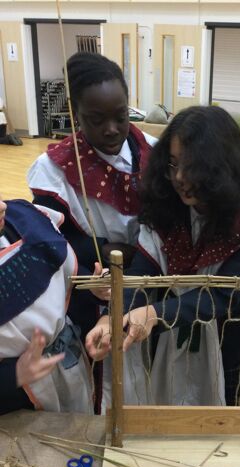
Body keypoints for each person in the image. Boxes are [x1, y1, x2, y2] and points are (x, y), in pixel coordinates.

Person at [86, 105, 240, 409]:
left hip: (226, 336)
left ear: (222, 167)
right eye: (173, 164)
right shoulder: (165, 206)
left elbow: (220, 296)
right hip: (165, 338)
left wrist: (153, 314)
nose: (180, 177)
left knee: (223, 414)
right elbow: (143, 273)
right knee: (166, 404)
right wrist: (114, 313)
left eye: (192, 167)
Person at [27, 52, 156, 343]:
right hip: (93, 291)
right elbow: (48, 243)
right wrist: (102, 250)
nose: (111, 129)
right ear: (76, 114)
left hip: (151, 290)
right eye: (96, 119)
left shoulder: (154, 151)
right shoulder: (54, 169)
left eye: (121, 116)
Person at [0, 195, 96, 414]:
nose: (2, 205)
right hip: (14, 403)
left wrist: (92, 287)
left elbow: (53, 267)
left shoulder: (22, 220)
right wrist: (12, 376)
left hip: (69, 367)